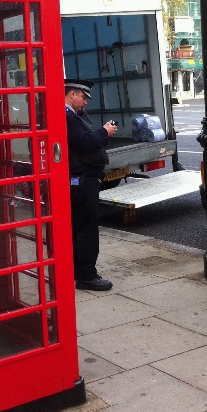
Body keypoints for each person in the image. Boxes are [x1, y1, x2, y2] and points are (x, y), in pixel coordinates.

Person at [65, 78, 118, 291]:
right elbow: (85, 142)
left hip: (84, 181)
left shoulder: (74, 116)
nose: (85, 102)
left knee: (79, 227)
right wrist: (104, 132)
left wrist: (102, 135)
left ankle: (78, 270)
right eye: (83, 97)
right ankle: (87, 275)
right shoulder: (67, 116)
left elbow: (87, 140)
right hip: (83, 182)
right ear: (72, 94)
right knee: (86, 229)